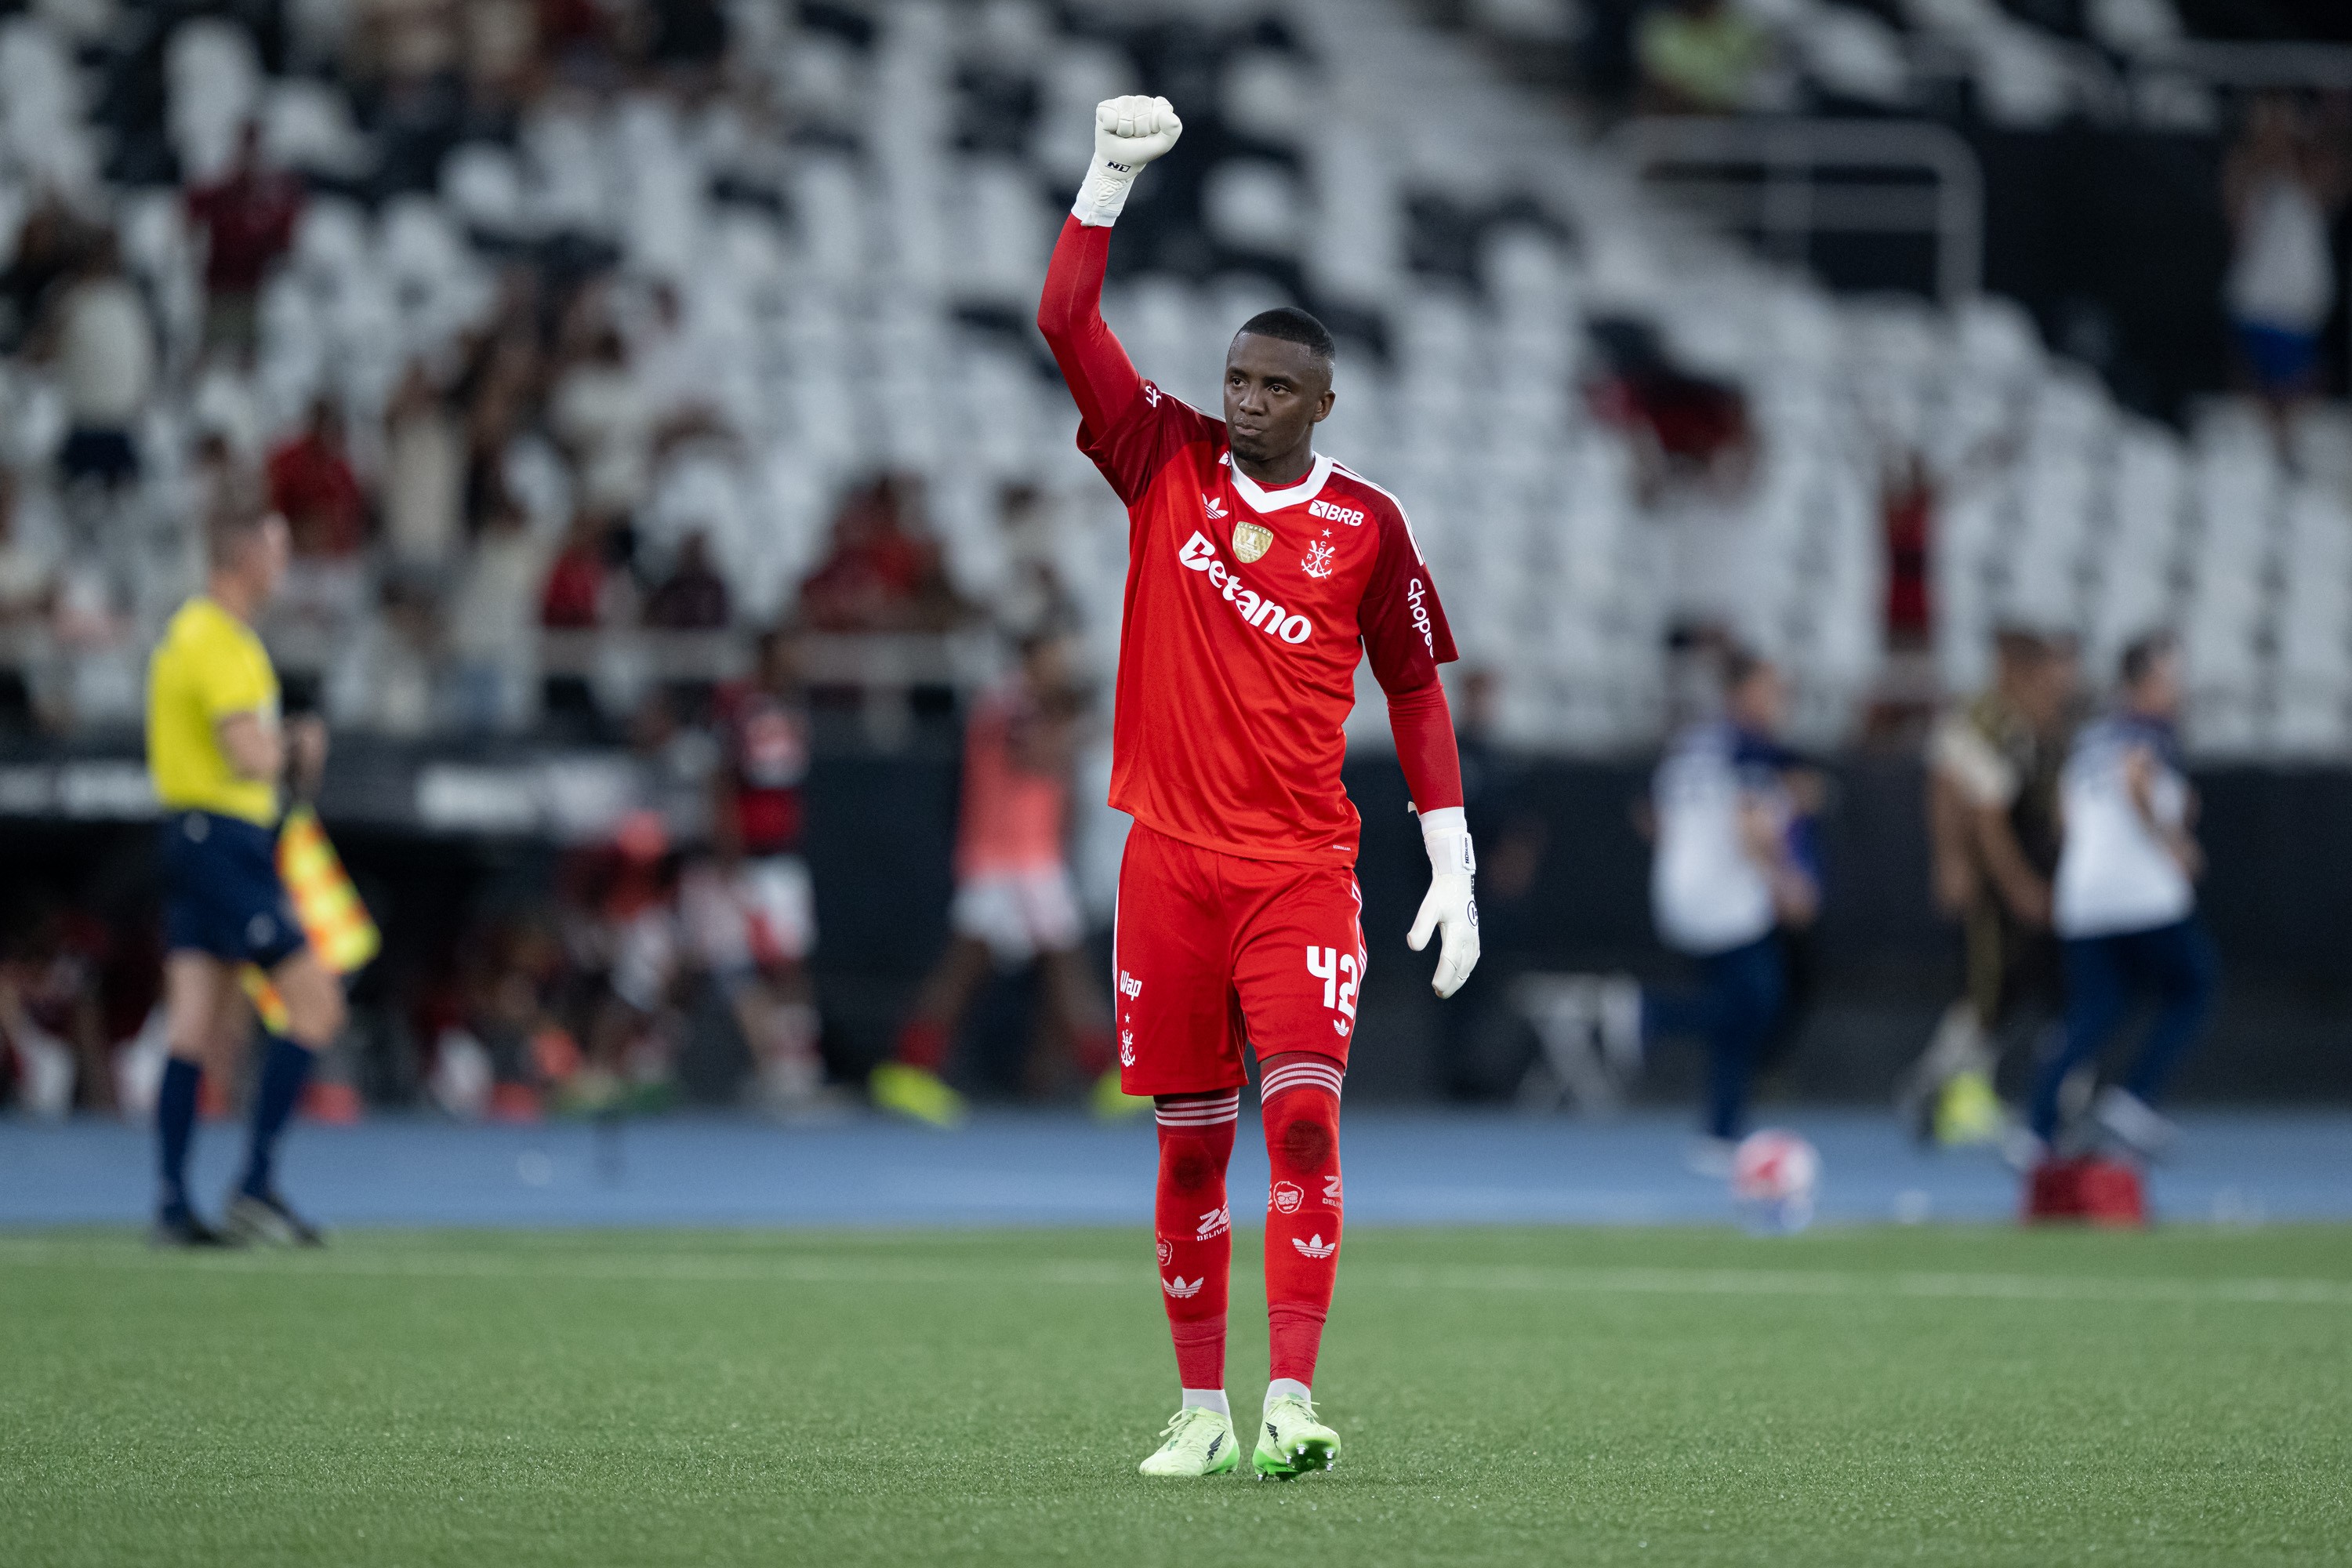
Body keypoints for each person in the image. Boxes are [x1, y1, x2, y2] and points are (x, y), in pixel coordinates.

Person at [1037, 97, 1479, 1481]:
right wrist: (1109, 178)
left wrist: (1450, 857)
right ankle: (1198, 1411)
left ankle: (1291, 1396)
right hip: (1166, 865)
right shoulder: (1160, 458)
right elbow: (1064, 324)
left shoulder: (1369, 525)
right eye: (1235, 378)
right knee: (1183, 1153)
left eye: (1273, 388)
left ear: (1322, 404)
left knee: (1300, 1117)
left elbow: (1413, 688)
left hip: (1300, 874)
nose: (1244, 401)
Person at [144, 506, 345, 1247]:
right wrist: (297, 745)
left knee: (194, 1025)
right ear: (242, 556)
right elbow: (247, 756)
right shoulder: (219, 641)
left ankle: (171, 1201)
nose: (285, 560)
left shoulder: (197, 636)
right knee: (316, 1006)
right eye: (277, 545)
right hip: (223, 840)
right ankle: (255, 1184)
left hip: (197, 837)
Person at [870, 633, 1135, 1126]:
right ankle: (1103, 1075)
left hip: (1025, 859)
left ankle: (910, 1066)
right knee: (1038, 965)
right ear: (1032, 659)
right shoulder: (1010, 704)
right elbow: (1034, 756)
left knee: (1022, 966)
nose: (1061, 666)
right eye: (1055, 657)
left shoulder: (1031, 705)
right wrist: (1089, 730)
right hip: (1008, 861)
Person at [2030, 633, 2216, 1161]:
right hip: (2143, 892)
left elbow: (2063, 817)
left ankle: (2038, 1126)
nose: (2176, 690)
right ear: (2144, 683)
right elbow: (2137, 779)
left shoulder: (2091, 737)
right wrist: (2172, 841)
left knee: (2095, 1008)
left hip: (2084, 894)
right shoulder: (2148, 731)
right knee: (2193, 985)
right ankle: (2132, 1098)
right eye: (2168, 678)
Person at [1639, 652, 1820, 1167]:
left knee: (1738, 1011)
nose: (1778, 703)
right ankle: (1648, 1015)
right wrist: (1787, 882)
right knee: (1758, 1005)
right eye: (1769, 690)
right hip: (1729, 901)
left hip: (1678, 891)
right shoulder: (1750, 749)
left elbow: (1648, 816)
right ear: (1741, 692)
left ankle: (1721, 1131)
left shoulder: (1689, 744)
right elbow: (1752, 825)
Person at [1900, 629, 2077, 1145]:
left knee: (2040, 985)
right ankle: (1935, 1085)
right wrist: (1956, 862)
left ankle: (2043, 1093)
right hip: (1995, 876)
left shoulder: (2044, 722)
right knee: (1988, 987)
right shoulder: (1984, 720)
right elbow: (1966, 802)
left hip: (2038, 865)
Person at [678, 626, 826, 1115]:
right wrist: (729, 853)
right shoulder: (737, 708)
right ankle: (774, 1070)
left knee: (789, 961)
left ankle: (798, 1066)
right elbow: (721, 783)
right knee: (741, 964)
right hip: (749, 856)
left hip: (784, 856)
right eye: (790, 649)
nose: (799, 659)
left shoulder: (791, 707)